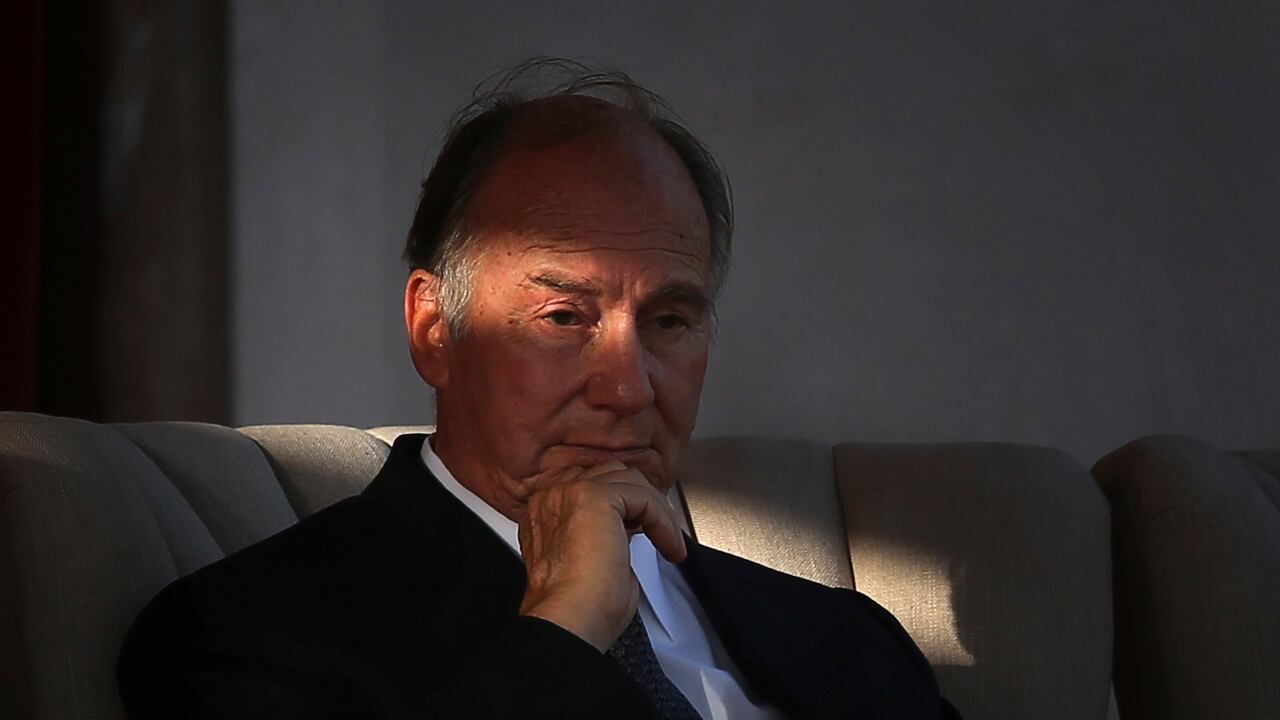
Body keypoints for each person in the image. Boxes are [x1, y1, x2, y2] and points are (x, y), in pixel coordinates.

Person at [118, 59, 961, 720]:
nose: (629, 389)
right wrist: (565, 621)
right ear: (434, 329)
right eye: (563, 318)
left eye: (669, 321)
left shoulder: (850, 639)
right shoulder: (241, 637)